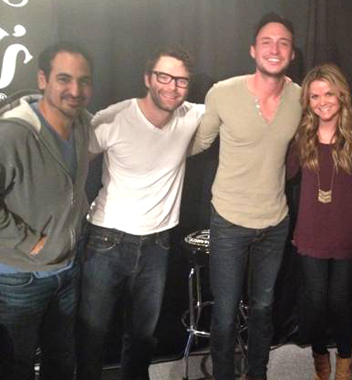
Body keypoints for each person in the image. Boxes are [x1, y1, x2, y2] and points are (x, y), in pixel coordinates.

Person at [76, 47, 203, 380]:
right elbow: (70, 164)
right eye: (164, 76)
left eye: (181, 80)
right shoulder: (113, 118)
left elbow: (238, 106)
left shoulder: (191, 116)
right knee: (92, 334)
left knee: (142, 337)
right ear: (148, 78)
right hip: (106, 240)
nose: (172, 86)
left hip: (157, 245)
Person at [189, 12, 302, 380]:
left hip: (275, 222)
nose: (275, 49)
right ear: (253, 50)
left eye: (283, 42)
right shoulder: (223, 92)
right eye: (267, 41)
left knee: (264, 308)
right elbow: (196, 142)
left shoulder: (301, 97)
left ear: (292, 53)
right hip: (229, 220)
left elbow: (332, 125)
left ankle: (258, 374)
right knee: (223, 313)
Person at [0, 41, 93, 380]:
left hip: (66, 272)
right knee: (16, 367)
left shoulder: (83, 123)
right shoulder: (12, 134)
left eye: (83, 81)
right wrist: (28, 242)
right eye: (64, 79)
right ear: (43, 79)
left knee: (60, 362)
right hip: (19, 279)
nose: (75, 89)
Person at [287, 63, 352, 380]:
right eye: (315, 96)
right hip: (310, 232)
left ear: (341, 94)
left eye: (329, 93)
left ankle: (344, 361)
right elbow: (287, 172)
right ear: (307, 101)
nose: (322, 101)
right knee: (316, 302)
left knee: (340, 301)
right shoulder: (302, 134)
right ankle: (320, 358)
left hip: (347, 233)